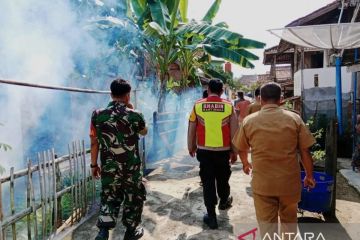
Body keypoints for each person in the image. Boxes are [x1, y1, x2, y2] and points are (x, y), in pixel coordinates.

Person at [232, 82, 316, 239]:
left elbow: (241, 148)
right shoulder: (294, 119)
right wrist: (309, 176)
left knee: (267, 227)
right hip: (289, 185)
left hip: (263, 185)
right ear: (281, 99)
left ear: (261, 99)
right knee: (289, 223)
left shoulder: (249, 121)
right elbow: (305, 150)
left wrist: (245, 163)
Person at [90, 78, 148, 240]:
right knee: (133, 196)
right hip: (131, 168)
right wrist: (132, 110)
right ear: (128, 95)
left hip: (109, 167)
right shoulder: (135, 115)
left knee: (109, 195)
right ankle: (130, 231)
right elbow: (144, 132)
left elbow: (94, 142)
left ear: (111, 94)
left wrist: (94, 165)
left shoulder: (97, 115)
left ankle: (103, 231)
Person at [187, 79, 238, 229]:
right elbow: (235, 130)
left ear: (208, 89)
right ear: (222, 91)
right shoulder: (229, 106)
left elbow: (191, 127)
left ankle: (211, 217)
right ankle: (223, 201)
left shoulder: (198, 105)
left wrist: (191, 146)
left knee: (208, 182)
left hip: (204, 151)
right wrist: (234, 151)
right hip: (223, 152)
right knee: (223, 178)